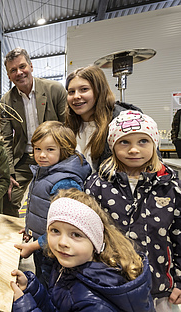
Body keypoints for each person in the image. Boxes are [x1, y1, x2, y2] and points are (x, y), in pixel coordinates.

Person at [85, 110, 181, 310]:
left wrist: (179, 280)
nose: (134, 150)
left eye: (143, 141)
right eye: (124, 142)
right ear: (112, 146)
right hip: (112, 283)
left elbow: (179, 235)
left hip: (160, 287)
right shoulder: (98, 185)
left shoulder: (171, 187)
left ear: (155, 143)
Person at [10, 189, 154, 312]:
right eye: (55, 231)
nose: (62, 242)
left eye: (76, 235)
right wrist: (32, 290)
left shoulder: (94, 304)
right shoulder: (69, 265)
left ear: (95, 241)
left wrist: (25, 307)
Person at [14, 121, 91, 287]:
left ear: (63, 151)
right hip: (43, 245)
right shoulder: (45, 171)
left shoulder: (64, 182)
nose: (42, 155)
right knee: (41, 280)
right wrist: (31, 230)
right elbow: (42, 210)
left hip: (57, 252)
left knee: (52, 287)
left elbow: (66, 227)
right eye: (37, 149)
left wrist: (34, 245)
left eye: (50, 149)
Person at [0, 47, 67, 217]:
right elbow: (6, 139)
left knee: (57, 199)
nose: (19, 72)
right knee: (8, 197)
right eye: (13, 70)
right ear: (8, 76)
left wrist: (64, 163)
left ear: (31, 66)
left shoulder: (55, 90)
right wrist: (8, 172)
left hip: (54, 156)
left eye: (22, 66)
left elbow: (68, 131)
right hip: (24, 158)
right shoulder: (6, 101)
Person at [65, 64, 141, 172]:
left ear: (99, 90)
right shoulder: (70, 125)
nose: (76, 96)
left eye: (84, 89)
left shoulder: (122, 121)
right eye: (71, 92)